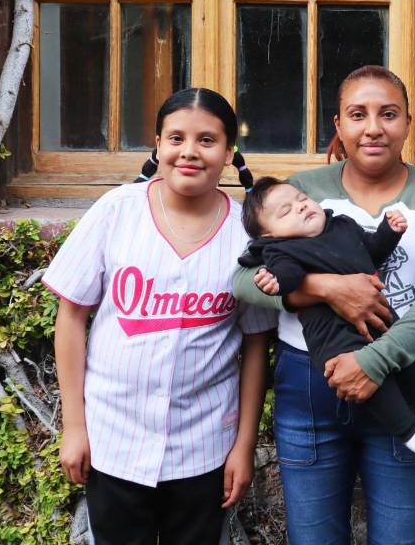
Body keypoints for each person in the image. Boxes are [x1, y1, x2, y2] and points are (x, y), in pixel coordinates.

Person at [232, 65, 415, 544]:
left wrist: (373, 362)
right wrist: (326, 288)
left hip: (403, 372)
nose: (373, 128)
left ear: (409, 123)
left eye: (389, 114)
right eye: (358, 115)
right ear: (338, 125)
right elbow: (242, 282)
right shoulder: (301, 191)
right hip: (310, 386)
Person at [47, 88, 274, 545]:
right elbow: (70, 319)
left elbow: (255, 345)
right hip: (114, 440)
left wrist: (243, 446)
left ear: (229, 152)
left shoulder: (246, 236)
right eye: (176, 138)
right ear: (157, 144)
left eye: (207, 140)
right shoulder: (117, 210)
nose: (189, 151)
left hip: (203, 447)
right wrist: (74, 427)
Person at [238, 177, 415, 457]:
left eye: (302, 199)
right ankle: (409, 431)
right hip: (332, 332)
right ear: (269, 235)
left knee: (410, 355)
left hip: (377, 311)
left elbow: (371, 251)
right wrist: (275, 281)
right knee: (370, 376)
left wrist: (389, 232)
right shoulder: (281, 250)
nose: (301, 207)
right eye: (286, 211)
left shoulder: (342, 225)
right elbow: (290, 275)